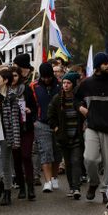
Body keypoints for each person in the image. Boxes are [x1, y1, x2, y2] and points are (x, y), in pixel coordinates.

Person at [76, 52, 108, 203]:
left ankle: (106, 190)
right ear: (98, 66)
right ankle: (93, 182)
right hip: (92, 126)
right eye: (106, 64)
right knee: (89, 158)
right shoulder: (87, 83)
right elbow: (76, 99)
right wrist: (80, 108)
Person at [48, 72, 84, 200]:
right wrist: (56, 128)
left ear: (73, 85)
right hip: (63, 137)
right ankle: (72, 187)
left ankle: (76, 188)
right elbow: (50, 115)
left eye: (68, 83)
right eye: (64, 83)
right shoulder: (57, 99)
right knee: (68, 163)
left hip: (76, 136)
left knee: (76, 161)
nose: (66, 85)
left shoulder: (79, 100)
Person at [31, 62, 61, 193]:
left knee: (57, 152)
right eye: (44, 77)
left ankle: (54, 177)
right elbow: (30, 104)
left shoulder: (60, 85)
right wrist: (33, 120)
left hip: (58, 124)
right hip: (41, 123)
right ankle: (47, 181)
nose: (46, 79)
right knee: (45, 151)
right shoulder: (34, 86)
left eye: (49, 77)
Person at [0, 69, 19, 206]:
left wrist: (15, 139)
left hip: (6, 132)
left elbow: (14, 119)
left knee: (5, 163)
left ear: (5, 81)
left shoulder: (12, 96)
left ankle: (7, 192)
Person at [10, 67, 37, 201]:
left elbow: (34, 107)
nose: (13, 78)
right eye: (11, 76)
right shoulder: (6, 91)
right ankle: (21, 187)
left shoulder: (25, 89)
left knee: (26, 155)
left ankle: (30, 187)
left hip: (26, 128)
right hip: (12, 129)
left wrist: (29, 110)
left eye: (15, 75)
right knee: (16, 158)